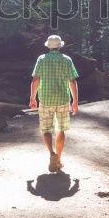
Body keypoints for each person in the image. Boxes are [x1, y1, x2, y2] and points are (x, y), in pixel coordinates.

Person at [28, 34, 79, 172]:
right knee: (61, 129)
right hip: (62, 100)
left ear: (48, 46)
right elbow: (72, 82)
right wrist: (75, 102)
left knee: (46, 129)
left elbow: (35, 80)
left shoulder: (41, 59)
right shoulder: (67, 60)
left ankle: (51, 153)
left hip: (45, 99)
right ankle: (59, 159)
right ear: (60, 46)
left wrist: (32, 98)